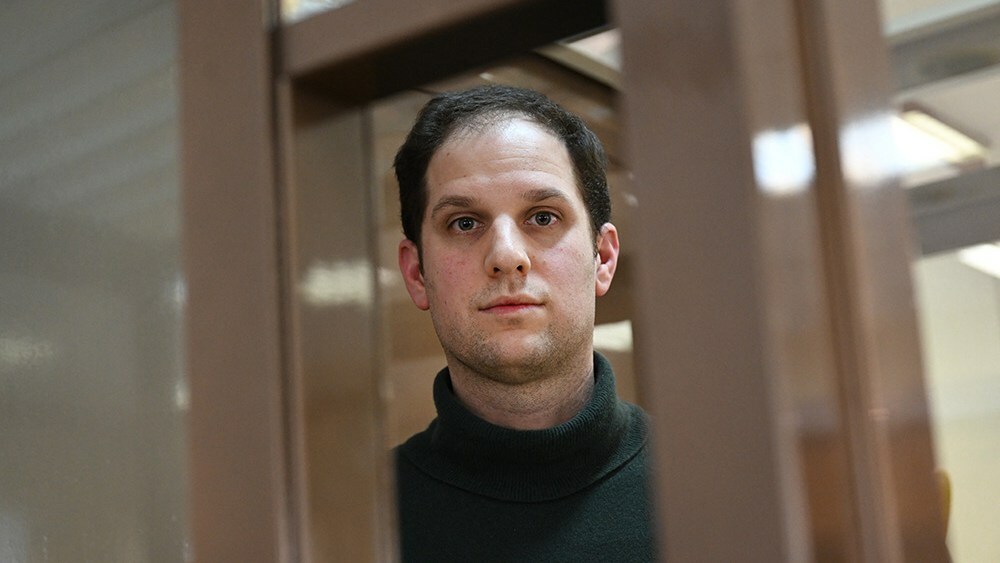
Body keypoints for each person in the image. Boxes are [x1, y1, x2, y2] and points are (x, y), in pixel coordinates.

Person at [392, 84, 656, 562]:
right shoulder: (357, 525)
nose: (507, 257)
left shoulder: (713, 486)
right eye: (465, 223)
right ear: (417, 273)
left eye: (542, 216)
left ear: (603, 258)